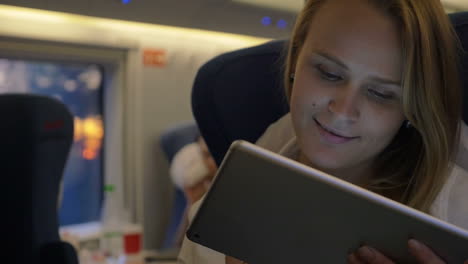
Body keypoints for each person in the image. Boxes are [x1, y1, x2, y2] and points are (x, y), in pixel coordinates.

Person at [178, 0, 468, 263]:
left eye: (381, 93)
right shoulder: (222, 214)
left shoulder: (457, 215)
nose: (343, 111)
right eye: (329, 73)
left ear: (410, 108)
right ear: (295, 58)